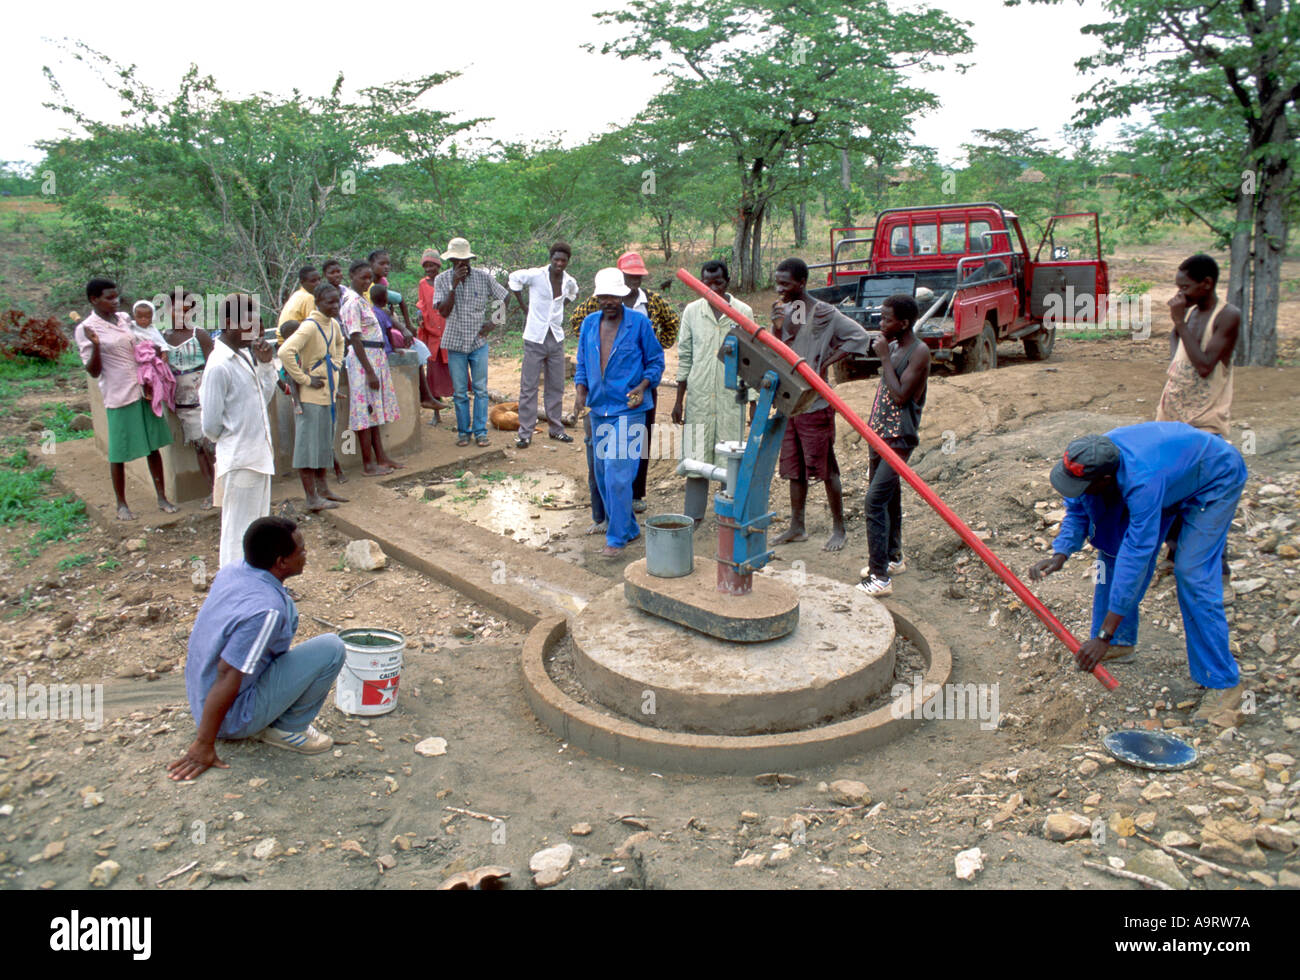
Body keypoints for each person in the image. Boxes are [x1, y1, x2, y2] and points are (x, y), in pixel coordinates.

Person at [1029, 423, 1248, 727]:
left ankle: (1224, 684)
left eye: (1085, 487)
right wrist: (1060, 553)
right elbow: (1078, 511)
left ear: (1106, 480)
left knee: (1192, 573)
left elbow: (1137, 557)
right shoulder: (1087, 464)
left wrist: (1102, 636)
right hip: (1172, 477)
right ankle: (1120, 641)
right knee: (1111, 547)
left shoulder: (1142, 483)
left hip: (1213, 477)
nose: (1076, 491)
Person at [168, 516, 346, 780]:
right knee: (332, 648)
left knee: (288, 610)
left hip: (201, 691)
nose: (306, 555)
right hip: (231, 717)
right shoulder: (266, 611)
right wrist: (204, 744)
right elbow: (228, 673)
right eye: (302, 551)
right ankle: (287, 728)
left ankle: (268, 702)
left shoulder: (234, 570)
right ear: (281, 562)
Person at [768, 258, 870, 552]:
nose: (779, 289)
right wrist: (777, 327)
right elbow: (780, 350)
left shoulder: (824, 312)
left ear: (802, 283)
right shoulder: (787, 311)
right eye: (777, 282)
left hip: (816, 404)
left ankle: (839, 529)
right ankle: (797, 527)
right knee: (794, 468)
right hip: (791, 403)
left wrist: (824, 362)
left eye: (785, 284)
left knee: (826, 469)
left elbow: (859, 336)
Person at [570, 252, 678, 512]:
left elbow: (670, 327)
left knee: (637, 443)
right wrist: (596, 351)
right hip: (602, 396)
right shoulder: (594, 312)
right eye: (629, 276)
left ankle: (633, 496)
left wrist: (648, 357)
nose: (634, 282)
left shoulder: (650, 303)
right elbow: (581, 330)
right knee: (601, 458)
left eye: (637, 277)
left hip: (638, 389)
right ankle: (606, 511)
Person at [1156, 253, 1241, 573]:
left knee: (1204, 496)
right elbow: (1181, 352)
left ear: (1207, 284)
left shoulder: (1227, 316)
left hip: (1204, 420)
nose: (1179, 295)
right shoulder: (1190, 312)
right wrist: (1178, 329)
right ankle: (1176, 551)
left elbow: (1205, 366)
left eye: (1185, 287)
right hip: (1172, 416)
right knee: (1169, 488)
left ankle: (1219, 570)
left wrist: (1178, 321)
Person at [574, 267, 665, 557]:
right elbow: (582, 365)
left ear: (622, 295)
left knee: (617, 472)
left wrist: (642, 386)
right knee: (602, 473)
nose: (608, 301)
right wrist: (580, 392)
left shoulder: (639, 323)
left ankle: (616, 539)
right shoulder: (589, 324)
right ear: (597, 297)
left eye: (613, 296)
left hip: (629, 408)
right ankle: (628, 527)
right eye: (603, 297)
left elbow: (656, 361)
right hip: (599, 408)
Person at [75, 278, 178, 521]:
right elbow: (93, 371)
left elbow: (143, 340)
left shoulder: (123, 319)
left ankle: (162, 497)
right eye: (108, 297)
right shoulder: (87, 329)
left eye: (116, 296)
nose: (115, 301)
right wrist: (96, 345)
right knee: (118, 452)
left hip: (143, 389)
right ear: (94, 299)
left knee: (153, 446)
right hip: (118, 393)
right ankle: (121, 504)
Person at [199, 294, 279, 568]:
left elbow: (261, 400)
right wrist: (234, 437)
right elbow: (210, 424)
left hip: (258, 457)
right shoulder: (219, 365)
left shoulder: (244, 356)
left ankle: (255, 585)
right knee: (238, 533)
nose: (256, 327)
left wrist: (267, 365)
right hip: (241, 459)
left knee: (257, 530)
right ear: (231, 323)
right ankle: (233, 588)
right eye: (250, 321)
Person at [857, 294, 929, 596]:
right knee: (888, 498)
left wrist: (884, 357)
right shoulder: (897, 345)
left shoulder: (919, 351)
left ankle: (879, 577)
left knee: (874, 501)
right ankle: (893, 558)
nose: (881, 323)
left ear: (904, 323)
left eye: (887, 319)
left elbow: (900, 396)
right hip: (880, 434)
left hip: (899, 438)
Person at [670, 260, 756, 467]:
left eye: (718, 283)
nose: (713, 289)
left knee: (730, 463)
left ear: (727, 282)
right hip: (699, 398)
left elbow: (752, 361)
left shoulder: (743, 312)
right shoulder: (691, 312)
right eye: (707, 284)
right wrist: (678, 401)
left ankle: (728, 499)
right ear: (700, 284)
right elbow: (685, 357)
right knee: (695, 462)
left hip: (731, 400)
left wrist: (753, 402)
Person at [279, 283, 351, 509]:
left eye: (337, 301)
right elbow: (284, 352)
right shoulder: (310, 326)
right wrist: (305, 379)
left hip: (326, 395)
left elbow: (340, 344)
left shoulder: (333, 325)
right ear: (317, 302)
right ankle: (311, 497)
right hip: (311, 397)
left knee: (322, 445)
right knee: (307, 448)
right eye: (329, 302)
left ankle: (324, 490)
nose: (335, 306)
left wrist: (337, 364)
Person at [434, 237, 509, 447]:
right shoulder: (442, 280)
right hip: (455, 343)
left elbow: (504, 297)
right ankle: (463, 433)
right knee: (459, 392)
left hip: (478, 342)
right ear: (451, 262)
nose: (461, 264)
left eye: (464, 260)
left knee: (481, 389)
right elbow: (443, 311)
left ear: (470, 260)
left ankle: (481, 432)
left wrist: (494, 323)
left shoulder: (483, 278)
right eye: (456, 261)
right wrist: (453, 286)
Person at [508, 242, 579, 448]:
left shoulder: (568, 281)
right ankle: (525, 433)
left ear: (567, 262)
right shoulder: (536, 275)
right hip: (534, 337)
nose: (559, 263)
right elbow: (513, 278)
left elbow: (573, 293)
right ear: (551, 258)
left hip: (555, 337)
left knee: (555, 386)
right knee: (529, 387)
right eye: (556, 259)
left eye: (563, 260)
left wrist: (559, 308)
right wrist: (524, 306)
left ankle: (556, 429)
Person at [341, 261, 403, 474]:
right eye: (363, 278)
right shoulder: (351, 303)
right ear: (352, 276)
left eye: (369, 278)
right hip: (363, 360)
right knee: (364, 411)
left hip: (375, 357)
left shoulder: (362, 300)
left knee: (375, 410)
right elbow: (355, 338)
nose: (367, 282)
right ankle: (368, 464)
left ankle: (381, 457)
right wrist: (369, 371)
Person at [163, 293, 217, 509]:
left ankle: (222, 490)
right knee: (199, 449)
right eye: (175, 309)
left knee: (212, 447)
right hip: (183, 403)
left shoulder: (200, 335)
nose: (180, 314)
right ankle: (212, 491)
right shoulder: (165, 338)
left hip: (205, 399)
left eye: (185, 310)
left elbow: (214, 366)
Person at [416, 249, 454, 426]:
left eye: (432, 265)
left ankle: (460, 412)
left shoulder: (447, 280)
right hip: (432, 334)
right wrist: (419, 314)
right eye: (426, 265)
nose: (429, 268)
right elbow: (422, 303)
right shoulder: (422, 284)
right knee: (432, 374)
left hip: (449, 332)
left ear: (438, 265)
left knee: (455, 372)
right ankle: (436, 414)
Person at [276, 266, 321, 341]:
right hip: (290, 340)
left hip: (283, 339)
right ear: (302, 282)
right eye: (313, 281)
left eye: (319, 279)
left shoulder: (297, 294)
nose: (318, 283)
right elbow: (313, 326)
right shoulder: (308, 298)